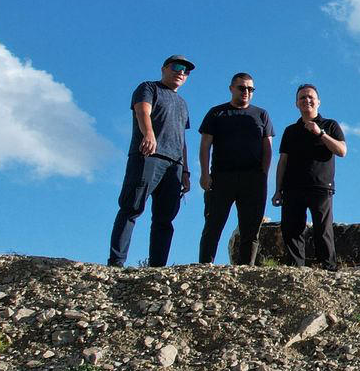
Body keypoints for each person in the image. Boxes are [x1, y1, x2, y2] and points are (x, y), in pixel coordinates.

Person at [108, 55, 194, 267]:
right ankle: (116, 263)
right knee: (132, 207)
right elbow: (142, 110)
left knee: (165, 219)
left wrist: (185, 171)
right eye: (176, 67)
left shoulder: (183, 104)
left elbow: (182, 139)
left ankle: (157, 267)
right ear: (164, 68)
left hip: (174, 164)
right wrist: (149, 134)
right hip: (148, 156)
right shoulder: (148, 88)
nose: (181, 72)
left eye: (186, 70)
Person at [196, 72, 274, 265]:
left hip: (253, 178)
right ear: (232, 88)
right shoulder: (217, 112)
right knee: (213, 225)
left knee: (251, 228)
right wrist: (205, 174)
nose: (246, 92)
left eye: (250, 89)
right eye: (242, 88)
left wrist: (263, 175)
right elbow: (205, 145)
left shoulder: (261, 114)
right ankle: (205, 267)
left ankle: (245, 269)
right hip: (221, 177)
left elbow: (268, 147)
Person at [272, 83, 346, 268]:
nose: (307, 100)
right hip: (292, 188)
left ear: (318, 102)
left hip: (320, 186)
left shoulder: (330, 125)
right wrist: (277, 189)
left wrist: (320, 133)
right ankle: (296, 271)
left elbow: (342, 150)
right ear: (296, 104)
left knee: (323, 230)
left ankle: (328, 270)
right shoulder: (290, 131)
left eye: (310, 97)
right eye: (302, 98)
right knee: (292, 229)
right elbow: (283, 162)